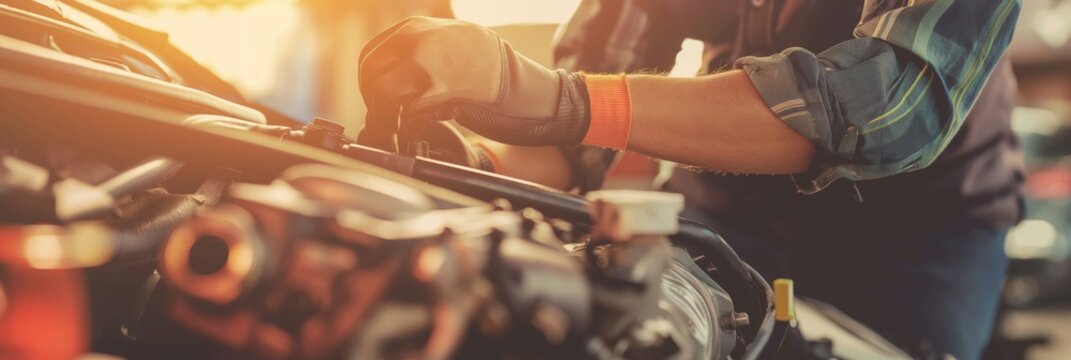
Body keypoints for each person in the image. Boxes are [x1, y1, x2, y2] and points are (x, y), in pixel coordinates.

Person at [357, 1, 1023, 358]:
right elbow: (572, 145)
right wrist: (469, 162)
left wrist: (560, 99)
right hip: (727, 209)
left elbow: (882, 107)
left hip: (911, 240)